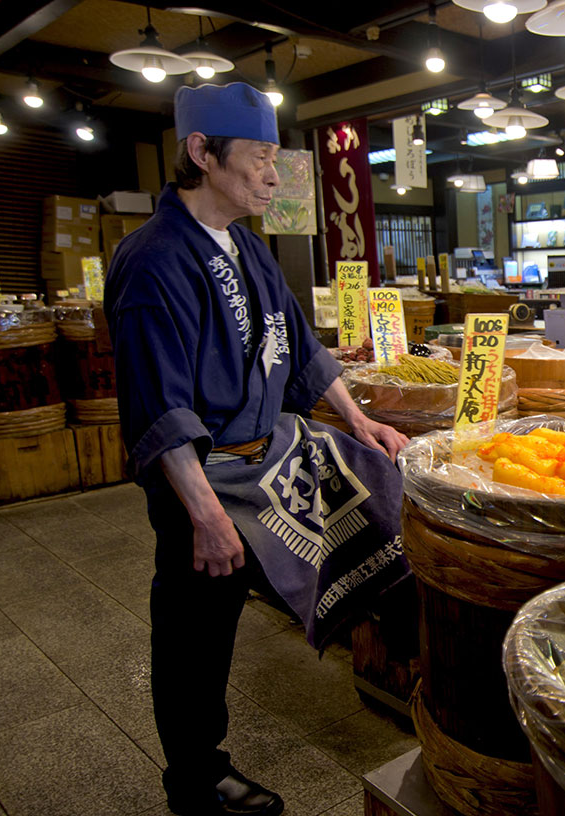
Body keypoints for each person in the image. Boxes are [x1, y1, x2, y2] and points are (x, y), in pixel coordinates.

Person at [105, 83, 410, 816]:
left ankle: (406, 667)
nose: (274, 177)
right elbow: (160, 403)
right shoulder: (152, 262)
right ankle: (195, 779)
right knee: (196, 631)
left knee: (382, 515)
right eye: (260, 159)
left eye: (276, 159)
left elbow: (297, 343)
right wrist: (204, 516)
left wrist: (356, 420)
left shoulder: (247, 246)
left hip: (268, 454)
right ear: (201, 153)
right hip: (201, 480)